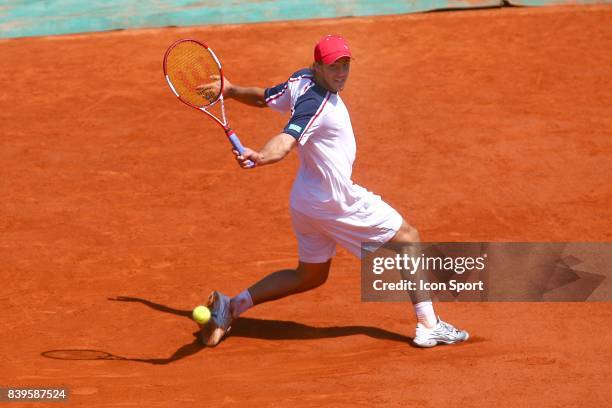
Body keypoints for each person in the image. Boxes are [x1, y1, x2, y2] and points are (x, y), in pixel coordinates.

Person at [197, 34, 469, 348]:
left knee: (310, 276)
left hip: (306, 201)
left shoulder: (300, 79)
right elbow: (288, 139)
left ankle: (229, 307)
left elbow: (264, 97)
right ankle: (429, 325)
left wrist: (230, 91)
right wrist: (262, 156)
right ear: (318, 66)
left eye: (345, 65)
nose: (340, 73)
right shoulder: (317, 103)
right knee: (408, 238)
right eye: (333, 67)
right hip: (337, 201)